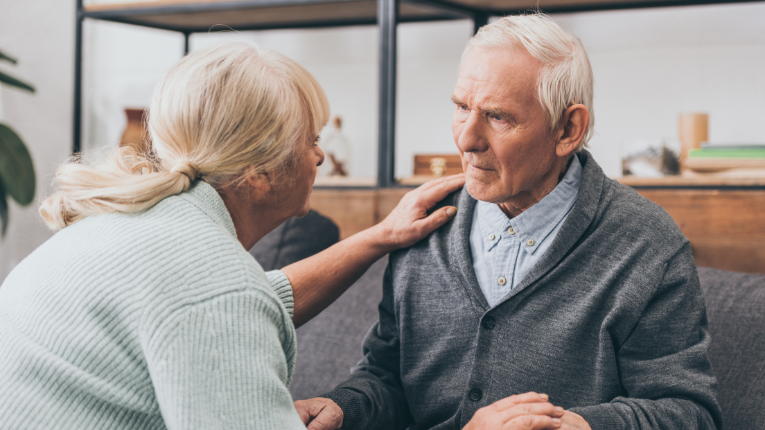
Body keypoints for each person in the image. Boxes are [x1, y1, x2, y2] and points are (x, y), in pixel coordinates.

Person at [0, 42, 465, 429]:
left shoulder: (128, 226)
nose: (320, 156)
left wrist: (379, 237)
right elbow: (224, 301)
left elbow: (256, 298)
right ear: (259, 173)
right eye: (310, 140)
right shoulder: (214, 286)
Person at [295, 14, 722, 430]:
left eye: (498, 117)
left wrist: (577, 426)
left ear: (568, 130)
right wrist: (343, 407)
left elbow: (689, 413)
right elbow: (387, 376)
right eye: (462, 107)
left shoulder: (648, 246)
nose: (466, 139)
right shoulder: (423, 224)